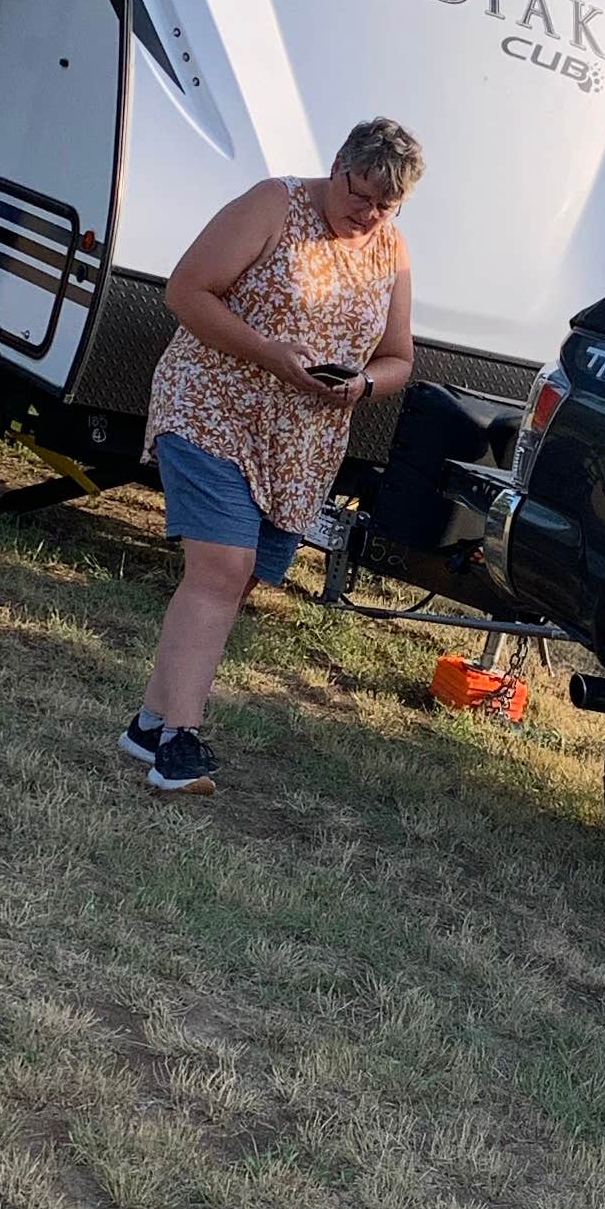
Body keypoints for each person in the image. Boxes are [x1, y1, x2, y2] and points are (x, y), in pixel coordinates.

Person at [123, 117, 424, 795]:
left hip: (301, 443)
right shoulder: (272, 204)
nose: (367, 214)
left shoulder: (392, 250)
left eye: (385, 205)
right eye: (360, 194)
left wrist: (364, 384)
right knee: (222, 569)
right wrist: (269, 354)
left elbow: (400, 356)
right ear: (338, 163)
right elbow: (186, 291)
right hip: (212, 408)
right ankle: (181, 744)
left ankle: (149, 723)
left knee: (238, 581)